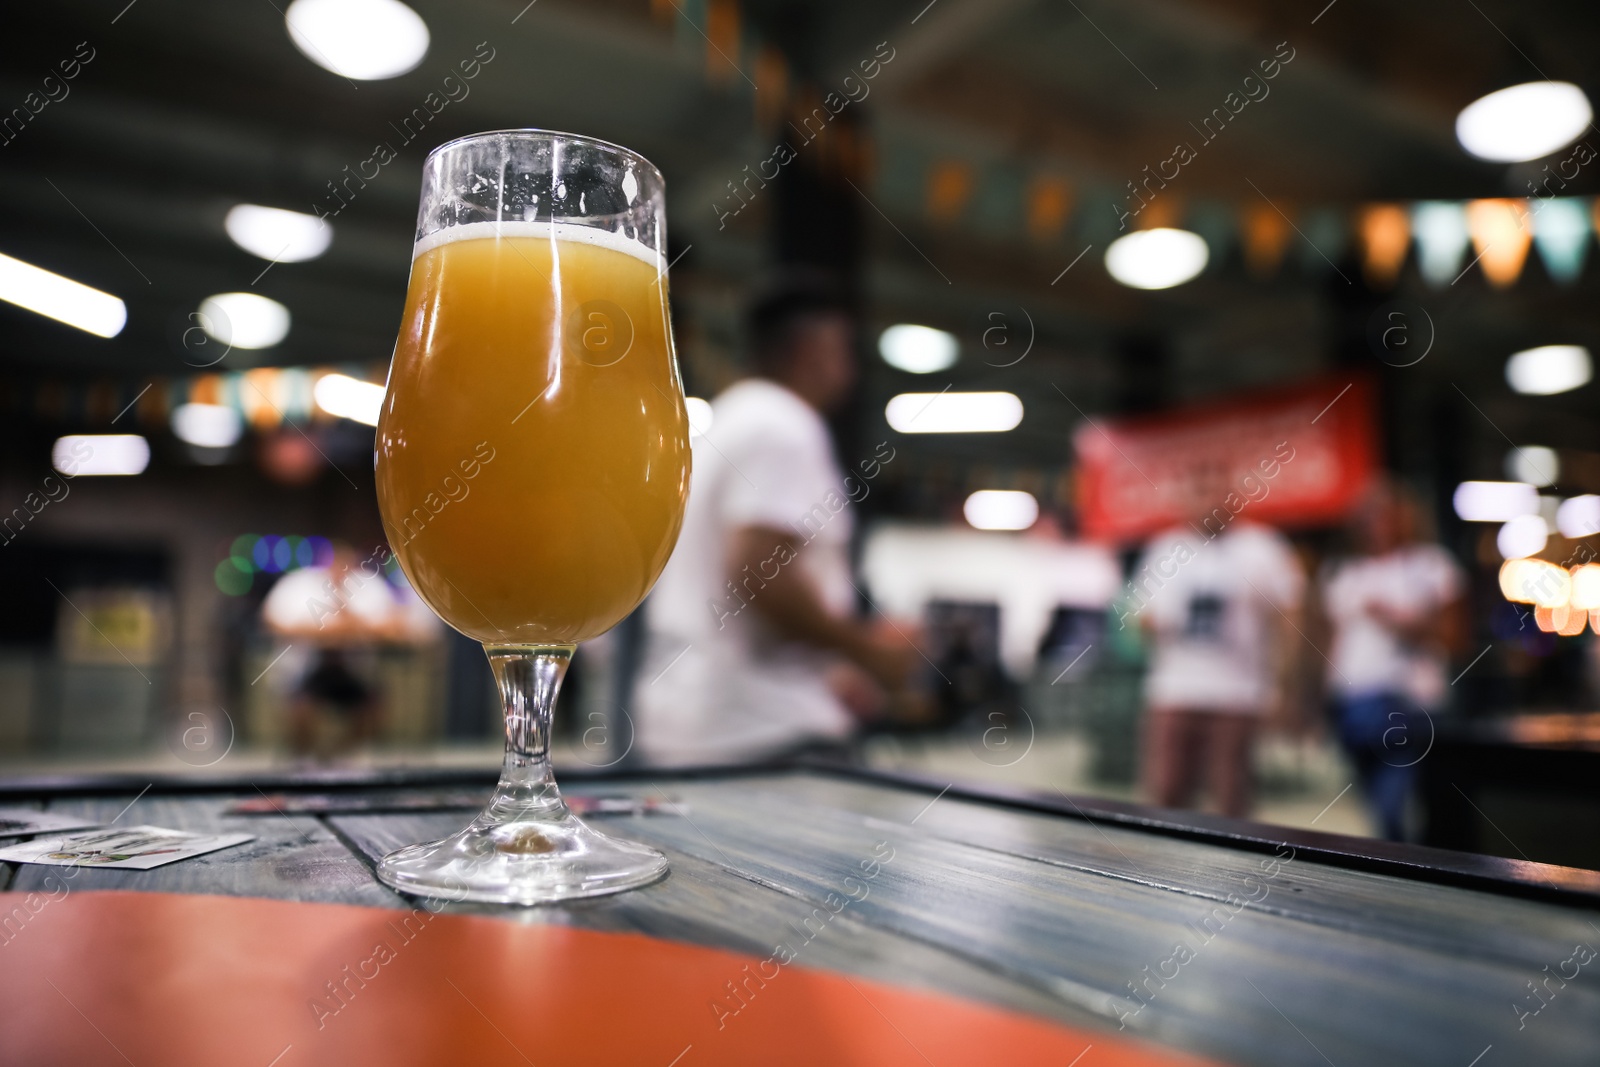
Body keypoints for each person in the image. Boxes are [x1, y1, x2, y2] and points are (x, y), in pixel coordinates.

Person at [633, 274, 916, 766]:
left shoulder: (724, 422)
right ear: (814, 350)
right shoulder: (784, 424)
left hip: (698, 718)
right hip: (761, 732)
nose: (850, 367)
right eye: (844, 348)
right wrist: (869, 654)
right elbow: (758, 572)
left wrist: (829, 668)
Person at [1133, 501, 1305, 818]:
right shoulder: (1166, 547)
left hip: (1237, 690)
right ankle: (1166, 864)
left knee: (1231, 795)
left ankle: (1234, 868)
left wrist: (1285, 682)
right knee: (1168, 788)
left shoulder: (1260, 547)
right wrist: (1152, 625)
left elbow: (1289, 616)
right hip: (1175, 686)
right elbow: (1141, 615)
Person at [1323, 480, 1465, 840]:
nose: (1378, 524)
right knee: (1375, 801)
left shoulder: (1432, 566)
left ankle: (1408, 863)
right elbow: (1331, 642)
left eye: (1387, 514)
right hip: (1352, 702)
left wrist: (1399, 621)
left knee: (1400, 802)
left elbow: (1453, 636)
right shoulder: (1342, 574)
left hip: (1409, 701)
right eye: (1370, 516)